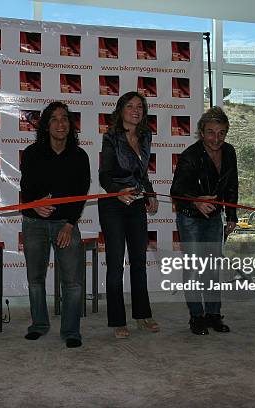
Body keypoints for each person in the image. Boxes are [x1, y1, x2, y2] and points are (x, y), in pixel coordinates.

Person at [20, 101, 90, 348]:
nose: (60, 124)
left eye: (65, 119)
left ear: (70, 125)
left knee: (72, 282)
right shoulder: (31, 153)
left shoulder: (80, 156)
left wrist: (70, 224)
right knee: (35, 279)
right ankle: (39, 324)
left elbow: (81, 193)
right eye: (54, 119)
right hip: (34, 224)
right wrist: (34, 205)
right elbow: (25, 190)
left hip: (66, 225)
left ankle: (71, 330)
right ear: (46, 126)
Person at [170, 106, 238, 336]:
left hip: (214, 218)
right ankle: (196, 317)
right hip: (190, 218)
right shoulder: (190, 155)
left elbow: (231, 186)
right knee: (192, 269)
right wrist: (196, 201)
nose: (216, 139)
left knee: (212, 269)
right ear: (201, 132)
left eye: (221, 133)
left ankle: (213, 315)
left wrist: (231, 216)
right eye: (211, 132)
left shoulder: (229, 152)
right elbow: (176, 190)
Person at [98, 91, 159, 339]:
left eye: (140, 107)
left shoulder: (146, 136)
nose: (136, 110)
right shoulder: (111, 137)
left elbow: (141, 173)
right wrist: (117, 192)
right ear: (121, 110)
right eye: (130, 106)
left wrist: (151, 193)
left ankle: (143, 315)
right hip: (113, 204)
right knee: (115, 265)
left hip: (136, 204)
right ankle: (117, 321)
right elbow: (104, 175)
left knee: (139, 263)